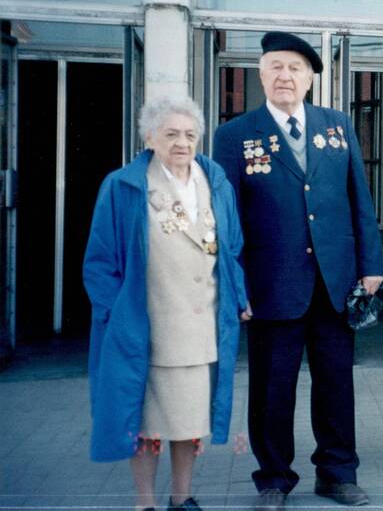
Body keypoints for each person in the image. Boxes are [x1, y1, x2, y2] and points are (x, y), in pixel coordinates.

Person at [213, 32, 383, 509]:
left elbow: (359, 199)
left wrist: (370, 264)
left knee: (336, 383)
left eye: (294, 68)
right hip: (271, 285)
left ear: (310, 78)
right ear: (261, 75)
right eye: (275, 67)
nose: (285, 76)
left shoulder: (337, 126)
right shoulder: (235, 135)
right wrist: (237, 285)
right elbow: (228, 218)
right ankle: (273, 479)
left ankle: (337, 473)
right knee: (272, 388)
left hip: (335, 282)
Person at [83, 96, 249, 511]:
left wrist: (239, 295)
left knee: (189, 423)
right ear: (150, 137)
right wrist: (113, 314)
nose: (182, 142)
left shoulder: (215, 181)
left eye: (190, 134)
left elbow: (231, 248)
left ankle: (183, 497)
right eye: (171, 133)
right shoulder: (123, 185)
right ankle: (145, 503)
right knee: (147, 425)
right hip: (148, 328)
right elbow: (99, 261)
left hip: (202, 326)